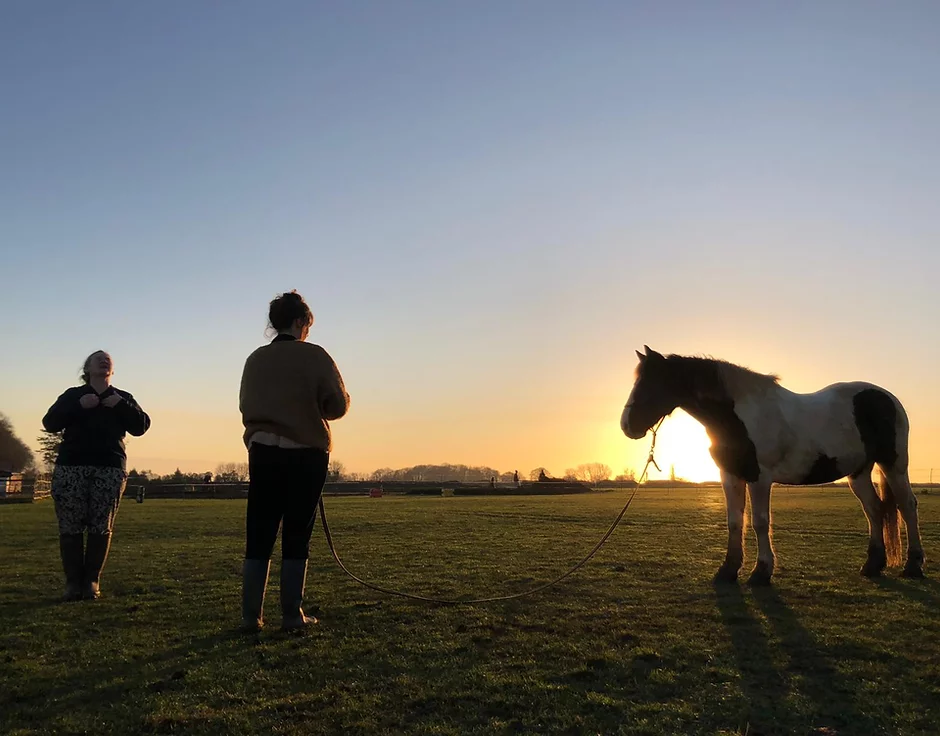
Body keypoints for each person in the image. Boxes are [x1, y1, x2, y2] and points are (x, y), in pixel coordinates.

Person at [239, 291, 350, 631]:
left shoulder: (255, 359)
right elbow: (337, 405)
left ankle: (250, 616)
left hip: (263, 451)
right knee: (297, 532)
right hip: (305, 453)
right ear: (301, 322)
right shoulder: (315, 356)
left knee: (259, 531)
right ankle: (291, 614)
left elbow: (246, 404)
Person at [42, 351, 151, 601]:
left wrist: (121, 406)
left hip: (109, 468)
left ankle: (92, 581)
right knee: (70, 524)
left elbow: (141, 426)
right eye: (98, 358)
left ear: (112, 370)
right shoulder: (73, 396)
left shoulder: (122, 398)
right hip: (72, 467)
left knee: (101, 525)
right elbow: (50, 422)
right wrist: (78, 406)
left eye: (108, 359)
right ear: (87, 368)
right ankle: (72, 583)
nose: (104, 360)